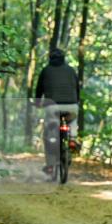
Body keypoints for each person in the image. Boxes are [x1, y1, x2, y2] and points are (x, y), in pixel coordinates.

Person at [35, 48, 80, 177]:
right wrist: (76, 102)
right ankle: (72, 138)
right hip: (71, 105)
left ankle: (50, 165)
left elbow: (39, 90)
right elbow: (77, 87)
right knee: (72, 120)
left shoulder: (45, 71)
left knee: (49, 135)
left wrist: (38, 103)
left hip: (52, 107)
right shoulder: (71, 70)